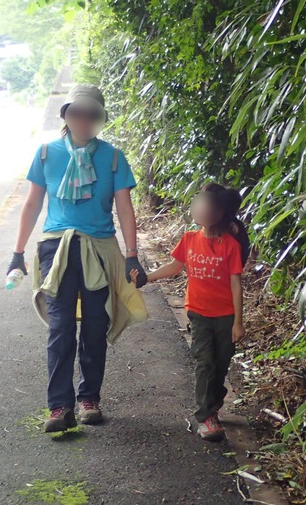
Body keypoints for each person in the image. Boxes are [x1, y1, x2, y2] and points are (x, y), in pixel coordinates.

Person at [8, 84, 149, 433]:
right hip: (56, 248)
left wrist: (132, 256)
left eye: (91, 114)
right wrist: (17, 254)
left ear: (99, 118)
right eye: (76, 113)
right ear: (65, 115)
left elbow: (125, 210)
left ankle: (90, 399)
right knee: (60, 328)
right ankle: (59, 407)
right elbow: (32, 205)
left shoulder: (113, 157)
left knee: (96, 327)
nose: (83, 120)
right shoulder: (45, 154)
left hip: (99, 249)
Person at [132, 182, 249, 441]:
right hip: (198, 312)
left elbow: (235, 284)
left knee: (220, 364)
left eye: (206, 207)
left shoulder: (230, 244)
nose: (199, 211)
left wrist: (238, 322)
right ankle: (206, 417)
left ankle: (213, 404)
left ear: (219, 213)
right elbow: (175, 266)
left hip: (226, 315)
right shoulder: (189, 239)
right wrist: (145, 278)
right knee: (205, 361)